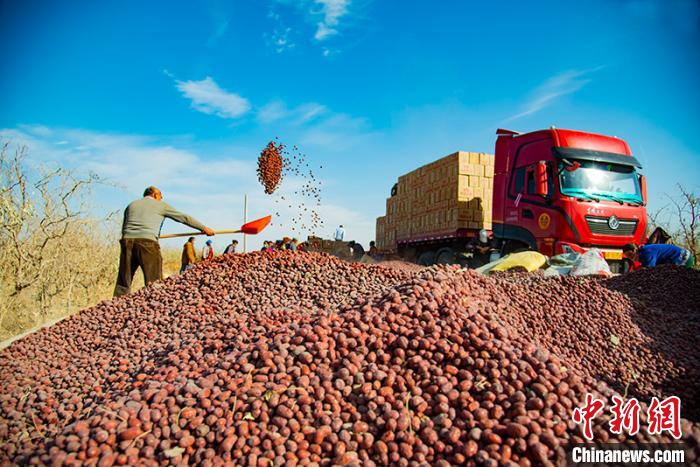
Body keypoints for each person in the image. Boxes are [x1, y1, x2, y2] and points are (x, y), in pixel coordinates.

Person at [114, 186, 214, 296]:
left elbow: (125, 227)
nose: (161, 198)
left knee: (124, 279)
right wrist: (203, 228)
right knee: (154, 281)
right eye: (160, 196)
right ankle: (153, 304)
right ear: (154, 194)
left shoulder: (131, 205)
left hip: (126, 242)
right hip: (148, 243)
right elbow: (183, 218)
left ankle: (116, 304)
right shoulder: (160, 205)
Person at [622, 243, 694, 268]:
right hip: (682, 257)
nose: (630, 258)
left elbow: (650, 270)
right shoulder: (643, 252)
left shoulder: (647, 252)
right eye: (628, 257)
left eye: (630, 255)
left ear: (635, 250)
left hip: (683, 258)